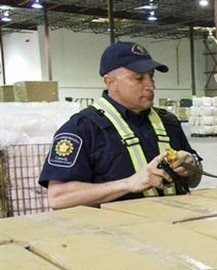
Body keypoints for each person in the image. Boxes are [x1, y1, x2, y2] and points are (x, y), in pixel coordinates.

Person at [39, 41, 202, 209]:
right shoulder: (82, 129)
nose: (151, 86)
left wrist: (192, 166)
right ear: (110, 82)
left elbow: (195, 179)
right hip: (118, 231)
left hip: (174, 225)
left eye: (151, 77)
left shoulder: (169, 122)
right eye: (139, 78)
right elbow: (59, 197)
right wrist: (128, 184)